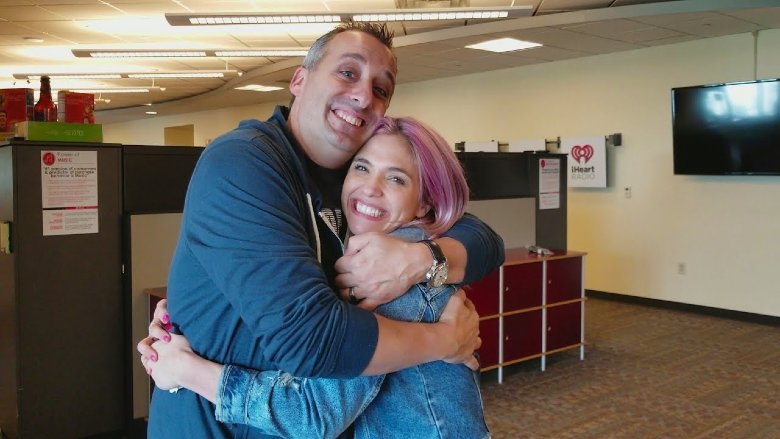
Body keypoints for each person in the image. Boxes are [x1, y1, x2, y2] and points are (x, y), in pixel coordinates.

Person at [139, 22, 504, 439]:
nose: (365, 95)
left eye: (381, 89)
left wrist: (423, 259)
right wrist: (443, 339)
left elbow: (485, 239)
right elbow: (313, 342)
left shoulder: (352, 188)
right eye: (348, 72)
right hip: (216, 426)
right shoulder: (245, 164)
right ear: (299, 78)